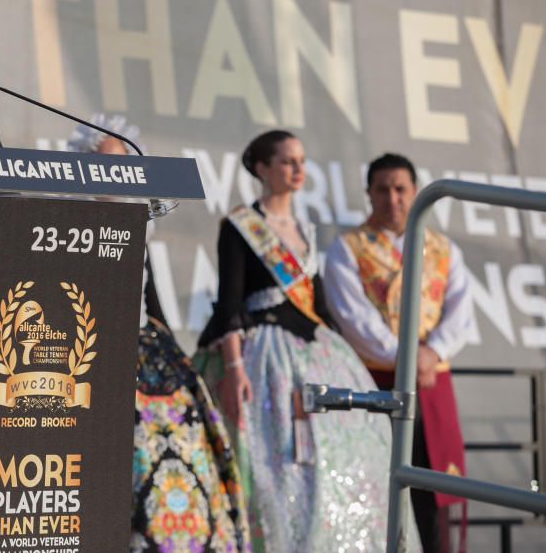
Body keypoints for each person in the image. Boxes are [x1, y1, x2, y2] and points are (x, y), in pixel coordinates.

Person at [196, 130, 404, 552]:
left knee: (339, 455)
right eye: (288, 162)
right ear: (262, 169)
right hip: (263, 357)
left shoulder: (305, 230)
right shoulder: (240, 226)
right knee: (272, 463)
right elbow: (229, 304)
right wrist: (234, 369)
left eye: (301, 161)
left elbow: (318, 302)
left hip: (316, 351)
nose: (298, 170)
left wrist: (339, 349)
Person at [68, 115, 250, 553]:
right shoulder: (68, 222)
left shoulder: (138, 219)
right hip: (94, 349)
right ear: (85, 167)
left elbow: (148, 291)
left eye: (125, 164)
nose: (118, 173)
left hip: (147, 347)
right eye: (108, 164)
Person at [324, 153, 470, 553]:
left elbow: (460, 313)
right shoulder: (347, 248)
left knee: (436, 485)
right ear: (369, 194)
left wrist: (432, 353)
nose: (393, 198)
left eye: (401, 189)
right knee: (381, 482)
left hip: (432, 381)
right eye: (383, 190)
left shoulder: (443, 248)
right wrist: (407, 357)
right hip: (377, 381)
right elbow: (353, 317)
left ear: (415, 190)